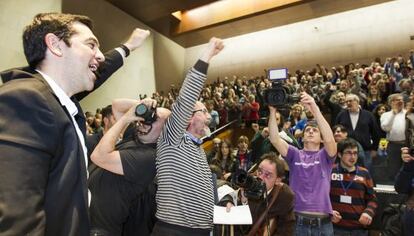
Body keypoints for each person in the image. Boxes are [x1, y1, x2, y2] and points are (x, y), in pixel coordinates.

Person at [0, 13, 148, 235]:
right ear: (55, 45)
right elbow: (18, 221)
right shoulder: (27, 99)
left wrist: (127, 48)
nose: (99, 56)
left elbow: (99, 70)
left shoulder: (56, 101)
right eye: (91, 45)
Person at [152, 38, 224, 236]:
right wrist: (207, 54)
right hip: (175, 230)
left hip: (199, 231)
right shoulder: (172, 139)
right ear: (188, 118)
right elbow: (185, 99)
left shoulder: (197, 146)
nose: (209, 115)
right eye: (203, 110)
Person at [88, 98, 171, 236]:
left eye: (155, 119)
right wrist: (144, 106)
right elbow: (116, 105)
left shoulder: (150, 157)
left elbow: (98, 156)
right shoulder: (136, 137)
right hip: (88, 220)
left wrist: (126, 118)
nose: (146, 120)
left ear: (165, 131)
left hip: (100, 229)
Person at [268, 92, 337, 235]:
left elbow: (330, 140)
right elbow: (274, 139)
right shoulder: (294, 154)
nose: (311, 131)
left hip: (323, 223)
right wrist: (272, 112)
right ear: (302, 136)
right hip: (297, 220)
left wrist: (315, 108)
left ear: (321, 139)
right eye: (308, 130)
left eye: (315, 130)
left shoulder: (326, 155)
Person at [236, 153, 295, 236]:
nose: (261, 177)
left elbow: (286, 231)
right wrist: (242, 203)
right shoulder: (249, 183)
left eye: (268, 175)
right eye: (259, 171)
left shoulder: (285, 196)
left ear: (278, 180)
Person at [330, 139, 377, 236]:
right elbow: (321, 197)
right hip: (334, 227)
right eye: (348, 153)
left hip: (358, 229)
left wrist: (368, 213)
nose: (353, 157)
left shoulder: (364, 173)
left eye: (355, 153)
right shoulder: (330, 171)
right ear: (339, 154)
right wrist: (328, 212)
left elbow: (372, 199)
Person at [335, 93, 381, 173]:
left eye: (350, 101)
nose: (348, 103)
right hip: (346, 151)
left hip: (366, 150)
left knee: (365, 172)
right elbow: (335, 130)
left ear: (357, 102)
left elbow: (375, 133)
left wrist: (374, 149)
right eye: (347, 102)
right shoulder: (341, 115)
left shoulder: (368, 115)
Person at [380, 93, 407, 182]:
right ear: (391, 103)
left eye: (401, 99)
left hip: (408, 145)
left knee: (408, 169)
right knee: (393, 169)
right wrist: (394, 114)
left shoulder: (409, 113)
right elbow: (385, 128)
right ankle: (395, 190)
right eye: (397, 100)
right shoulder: (386, 115)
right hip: (393, 145)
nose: (400, 101)